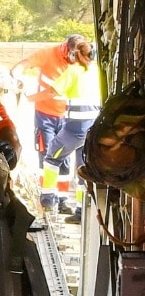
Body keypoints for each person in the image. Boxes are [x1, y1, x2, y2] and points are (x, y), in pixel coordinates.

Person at [12, 35, 89, 207]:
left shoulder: (78, 67)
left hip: (67, 117)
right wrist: (16, 74)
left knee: (64, 159)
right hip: (45, 115)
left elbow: (53, 91)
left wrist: (29, 98)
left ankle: (60, 199)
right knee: (47, 153)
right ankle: (48, 197)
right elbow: (26, 64)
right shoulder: (49, 54)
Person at [45, 43, 102, 216]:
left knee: (52, 158)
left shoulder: (74, 70)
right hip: (93, 127)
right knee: (83, 166)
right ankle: (80, 210)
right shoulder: (97, 71)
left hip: (75, 128)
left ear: (75, 55)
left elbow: (52, 91)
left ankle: (47, 199)